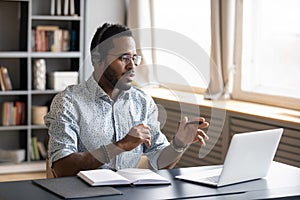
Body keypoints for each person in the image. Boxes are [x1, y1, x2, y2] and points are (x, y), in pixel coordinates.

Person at [44, 23, 209, 177]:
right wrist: (120, 146)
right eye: (124, 58)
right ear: (97, 59)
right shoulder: (68, 102)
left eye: (134, 58)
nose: (132, 66)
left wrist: (179, 144)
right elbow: (61, 167)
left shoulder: (142, 103)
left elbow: (160, 161)